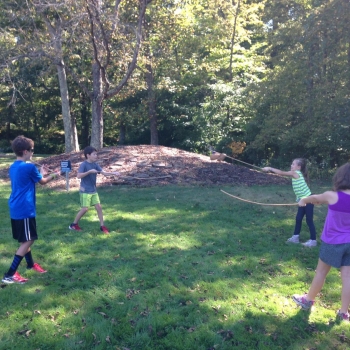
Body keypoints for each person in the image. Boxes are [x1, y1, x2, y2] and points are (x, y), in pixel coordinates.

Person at [292, 163, 350, 321]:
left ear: (340, 177)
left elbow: (314, 198)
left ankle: (308, 300)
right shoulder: (332, 197)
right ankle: (344, 313)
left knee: (322, 272)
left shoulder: (331, 195)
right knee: (347, 278)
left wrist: (303, 200)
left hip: (332, 242)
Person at [2, 135, 60, 284]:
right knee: (29, 240)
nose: (33, 153)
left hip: (15, 206)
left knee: (24, 238)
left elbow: (32, 179)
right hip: (24, 208)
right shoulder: (29, 167)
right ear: (25, 151)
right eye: (31, 150)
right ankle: (10, 274)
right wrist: (55, 174)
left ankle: (30, 264)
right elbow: (43, 182)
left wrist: (40, 172)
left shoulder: (14, 166)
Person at [262, 158, 317, 247]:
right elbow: (281, 173)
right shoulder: (295, 173)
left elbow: (281, 173)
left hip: (309, 199)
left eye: (293, 164)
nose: (291, 165)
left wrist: (269, 168)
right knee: (298, 218)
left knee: (309, 220)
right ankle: (295, 237)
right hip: (302, 200)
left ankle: (313, 241)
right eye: (291, 164)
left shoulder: (295, 173)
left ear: (298, 167)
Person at [69, 146, 120, 234]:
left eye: (96, 154)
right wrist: (89, 172)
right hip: (85, 191)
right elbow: (78, 176)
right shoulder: (84, 164)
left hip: (93, 190)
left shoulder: (95, 164)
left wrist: (113, 173)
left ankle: (102, 226)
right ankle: (73, 224)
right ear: (88, 155)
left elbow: (104, 173)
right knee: (85, 209)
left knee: (99, 207)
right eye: (94, 154)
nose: (96, 156)